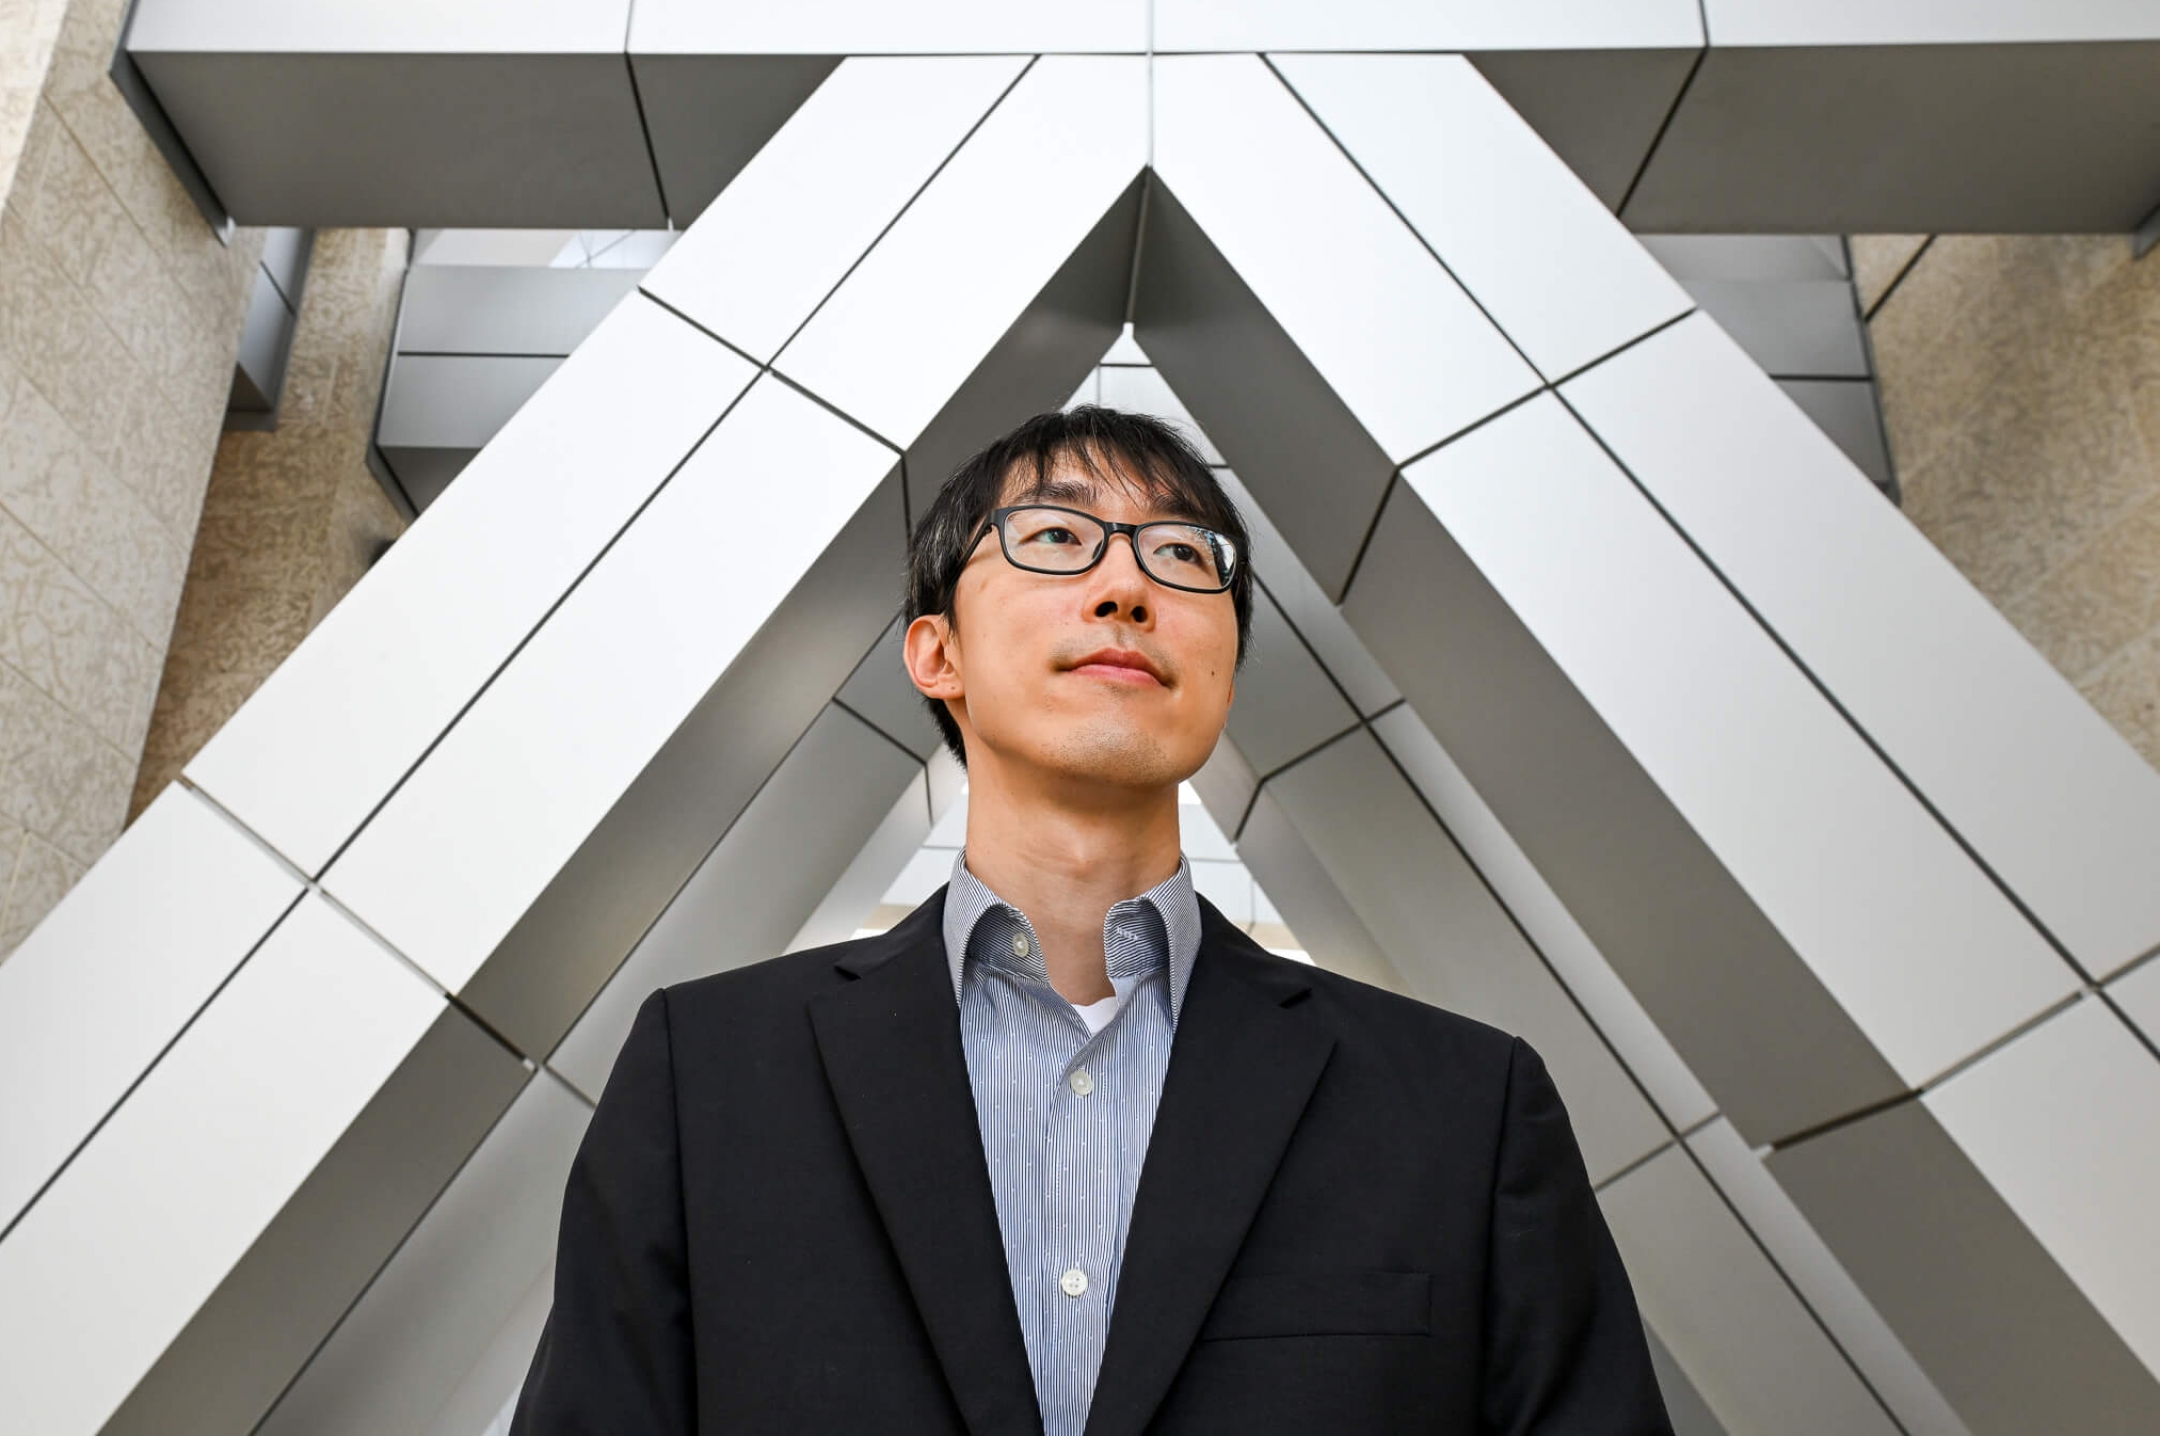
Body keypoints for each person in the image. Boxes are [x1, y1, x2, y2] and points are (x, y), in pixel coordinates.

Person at [512, 406, 1672, 1435]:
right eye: (1057, 538)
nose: (1126, 589)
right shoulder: (706, 1074)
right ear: (937, 653)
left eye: (1182, 554)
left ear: (1225, 674)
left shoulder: (1465, 1108)